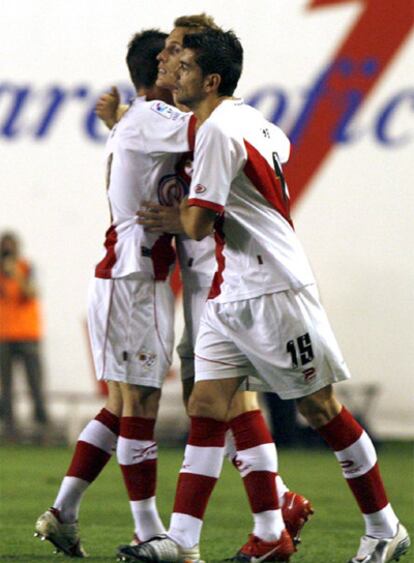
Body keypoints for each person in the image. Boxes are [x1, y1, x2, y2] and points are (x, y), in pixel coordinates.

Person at [117, 28, 410, 563]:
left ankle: (384, 526)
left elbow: (200, 224)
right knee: (206, 406)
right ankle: (179, 543)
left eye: (183, 67)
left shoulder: (216, 131)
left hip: (274, 288)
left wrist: (171, 216)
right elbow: (276, 153)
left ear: (210, 80)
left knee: (320, 409)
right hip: (233, 290)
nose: (173, 74)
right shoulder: (255, 121)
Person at [98, 13, 312, 557]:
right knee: (219, 403)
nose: (169, 60)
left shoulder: (206, 120)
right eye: (168, 51)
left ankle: (241, 524)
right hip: (207, 276)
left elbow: (215, 138)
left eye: (178, 51)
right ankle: (266, 519)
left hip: (219, 275)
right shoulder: (186, 120)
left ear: (205, 68)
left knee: (234, 402)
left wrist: (128, 117)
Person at [34, 30, 194, 557]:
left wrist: (118, 114)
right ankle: (149, 531)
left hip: (127, 278)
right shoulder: (157, 119)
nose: (183, 66)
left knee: (120, 405)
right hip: (135, 279)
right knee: (140, 405)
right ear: (160, 68)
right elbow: (219, 132)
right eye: (177, 58)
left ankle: (64, 511)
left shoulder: (142, 120)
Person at [0, 232, 49, 439]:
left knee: (35, 385)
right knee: (6, 388)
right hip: (3, 336)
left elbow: (32, 292)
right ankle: (9, 430)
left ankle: (43, 429)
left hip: (28, 335)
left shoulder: (27, 268)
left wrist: (16, 274)